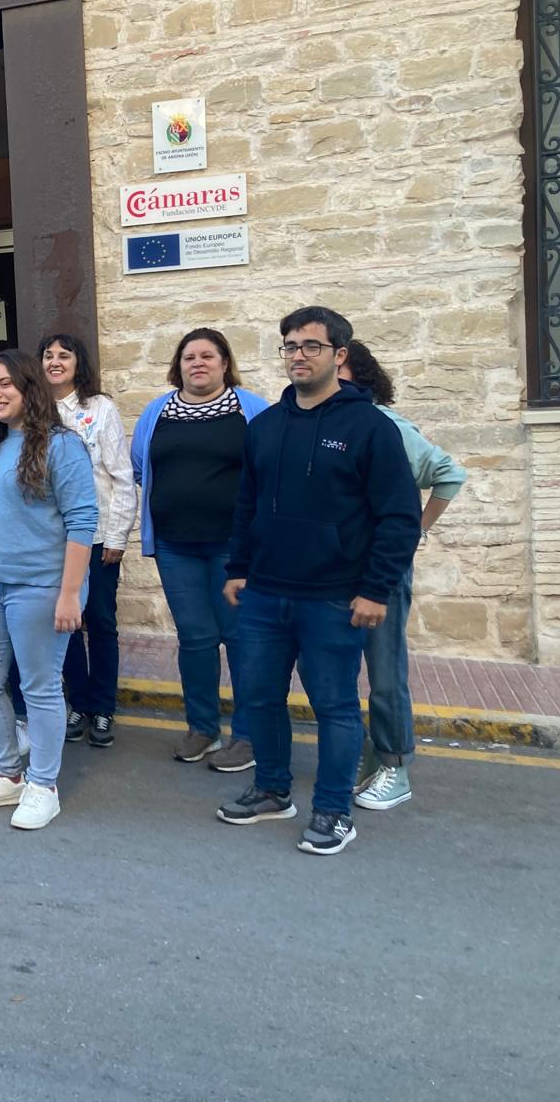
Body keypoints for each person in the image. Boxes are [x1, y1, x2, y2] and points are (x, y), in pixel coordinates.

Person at [217, 307, 421, 855]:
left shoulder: (370, 428)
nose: (298, 355)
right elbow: (246, 505)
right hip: (264, 593)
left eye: (310, 346)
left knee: (334, 707)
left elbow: (399, 517)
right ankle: (272, 790)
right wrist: (238, 568)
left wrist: (377, 589)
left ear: (339, 356)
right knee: (257, 698)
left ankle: (333, 810)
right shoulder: (265, 427)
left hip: (334, 597)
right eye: (290, 346)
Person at [0, 351, 98, 827]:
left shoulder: (62, 445)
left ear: (29, 389)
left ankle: (43, 785)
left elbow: (82, 522)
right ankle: (8, 774)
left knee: (39, 688)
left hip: (41, 586)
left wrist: (71, 594)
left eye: (5, 384)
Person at [129, 328, 270, 770]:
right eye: (189, 357)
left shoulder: (253, 410)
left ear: (225, 363)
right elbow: (140, 466)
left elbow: (270, 468)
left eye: (208, 356)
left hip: (235, 547)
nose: (198, 364)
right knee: (195, 639)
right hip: (175, 544)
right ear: (179, 365)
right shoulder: (158, 411)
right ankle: (203, 729)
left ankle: (248, 736)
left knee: (241, 638)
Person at [340, 340, 467, 811]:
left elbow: (450, 473)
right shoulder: (325, 423)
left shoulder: (389, 427)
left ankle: (395, 765)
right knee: (336, 668)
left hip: (381, 570)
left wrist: (418, 531)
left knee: (385, 670)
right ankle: (366, 754)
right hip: (332, 571)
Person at [41, 332, 137, 749]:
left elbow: (120, 476)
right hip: (52, 540)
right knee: (66, 623)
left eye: (64, 355)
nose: (55, 362)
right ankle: (77, 701)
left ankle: (102, 707)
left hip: (96, 538)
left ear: (79, 363)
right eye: (48, 356)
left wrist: (117, 535)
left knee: (100, 621)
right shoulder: (37, 410)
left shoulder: (99, 409)